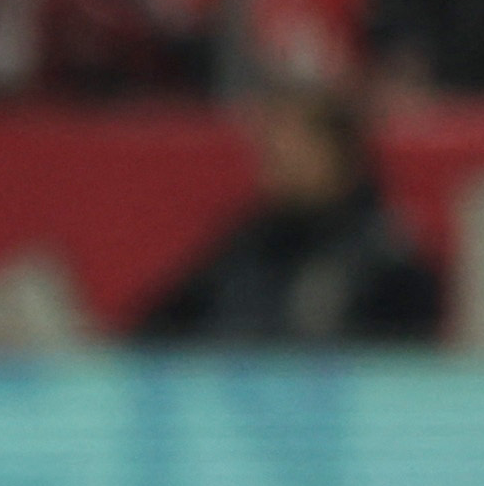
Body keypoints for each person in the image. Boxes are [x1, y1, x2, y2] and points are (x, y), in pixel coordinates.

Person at [133, 83, 442, 344]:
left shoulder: (386, 260)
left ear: (337, 152)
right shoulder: (247, 244)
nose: (273, 161)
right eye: (269, 148)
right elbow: (154, 331)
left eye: (291, 147)